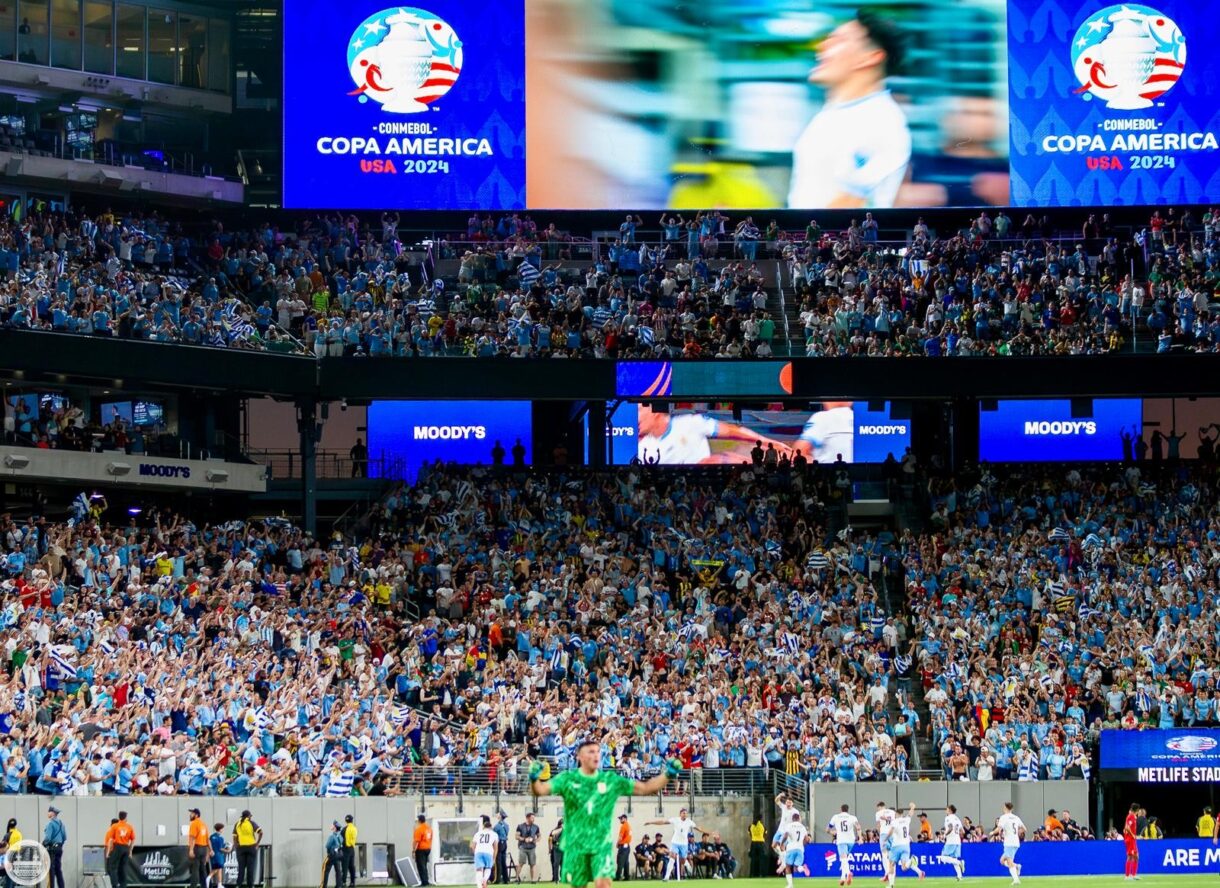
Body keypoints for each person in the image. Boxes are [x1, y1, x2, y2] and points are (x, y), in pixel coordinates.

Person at [788, 11, 911, 209]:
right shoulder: (830, 115)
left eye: (838, 40)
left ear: (870, 57)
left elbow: (847, 208)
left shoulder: (883, 122)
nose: (821, 46)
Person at [528, 740, 680, 888]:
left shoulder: (609, 780)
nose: (596, 755)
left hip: (601, 845)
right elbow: (540, 790)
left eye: (597, 752)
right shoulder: (567, 779)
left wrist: (667, 775)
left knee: (603, 884)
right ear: (579, 756)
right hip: (576, 845)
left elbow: (645, 788)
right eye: (591, 752)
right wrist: (534, 779)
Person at [645, 809, 707, 882]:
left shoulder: (689, 822)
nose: (685, 814)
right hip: (675, 843)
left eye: (686, 813)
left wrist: (707, 832)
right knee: (672, 858)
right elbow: (663, 822)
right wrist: (651, 822)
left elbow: (698, 828)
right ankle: (667, 877)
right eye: (683, 813)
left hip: (684, 844)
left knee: (683, 860)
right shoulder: (675, 820)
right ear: (680, 814)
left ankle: (687, 864)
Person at [886, 803, 924, 886]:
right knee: (903, 867)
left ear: (896, 814)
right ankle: (912, 863)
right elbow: (910, 814)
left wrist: (885, 838)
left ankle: (891, 885)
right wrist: (912, 807)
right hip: (906, 846)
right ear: (902, 814)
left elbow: (891, 831)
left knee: (891, 864)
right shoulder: (906, 820)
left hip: (896, 846)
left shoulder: (895, 821)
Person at [991, 802, 1025, 886]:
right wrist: (1016, 833)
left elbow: (998, 828)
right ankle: (1016, 866)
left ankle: (1016, 880)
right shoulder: (1016, 817)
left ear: (1005, 808)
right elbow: (1024, 829)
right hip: (1016, 842)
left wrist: (992, 833)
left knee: (1009, 862)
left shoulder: (1003, 817)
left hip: (1009, 842)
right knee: (1002, 861)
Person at [827, 804, 859, 887]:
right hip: (851, 841)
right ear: (848, 810)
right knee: (844, 859)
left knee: (843, 859)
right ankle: (842, 878)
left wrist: (831, 832)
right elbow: (858, 827)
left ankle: (848, 873)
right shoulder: (853, 817)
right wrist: (861, 838)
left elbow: (828, 829)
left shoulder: (836, 817)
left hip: (841, 840)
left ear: (841, 809)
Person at [232, 810, 262, 888]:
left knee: (241, 868)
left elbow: (234, 836)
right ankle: (250, 885)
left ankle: (238, 885)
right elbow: (261, 832)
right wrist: (257, 843)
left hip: (241, 847)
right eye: (250, 816)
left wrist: (236, 845)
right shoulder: (251, 823)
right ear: (248, 816)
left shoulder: (237, 823)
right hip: (251, 847)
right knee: (250, 867)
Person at [104, 812, 135, 888]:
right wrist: (130, 851)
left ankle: (115, 885)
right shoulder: (129, 826)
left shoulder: (115, 826)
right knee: (123, 867)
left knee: (113, 867)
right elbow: (133, 839)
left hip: (117, 847)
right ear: (125, 817)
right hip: (126, 847)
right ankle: (123, 885)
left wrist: (107, 853)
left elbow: (110, 840)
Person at [778, 812, 809, 888]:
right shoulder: (803, 827)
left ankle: (790, 885)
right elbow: (807, 839)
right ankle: (802, 868)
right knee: (796, 868)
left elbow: (785, 836)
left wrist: (781, 844)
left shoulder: (789, 826)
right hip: (800, 849)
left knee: (788, 866)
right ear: (799, 819)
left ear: (792, 819)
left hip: (791, 848)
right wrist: (802, 845)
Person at [936, 805, 965, 882]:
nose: (946, 810)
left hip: (951, 841)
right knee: (954, 859)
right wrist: (956, 834)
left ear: (950, 810)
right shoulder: (957, 818)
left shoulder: (948, 818)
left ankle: (960, 862)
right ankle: (959, 876)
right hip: (957, 841)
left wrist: (944, 835)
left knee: (943, 858)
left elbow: (950, 828)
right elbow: (963, 831)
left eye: (947, 809)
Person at [472, 816, 498, 888]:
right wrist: (494, 858)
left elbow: (473, 846)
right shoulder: (494, 834)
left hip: (478, 852)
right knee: (488, 868)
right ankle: (485, 879)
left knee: (479, 870)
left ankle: (479, 886)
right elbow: (496, 847)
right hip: (488, 852)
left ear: (483, 827)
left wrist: (475, 854)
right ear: (491, 827)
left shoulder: (477, 833)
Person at [43, 807, 66, 888]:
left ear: (53, 813)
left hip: (52, 849)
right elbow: (64, 837)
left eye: (49, 812)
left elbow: (48, 838)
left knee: (51, 871)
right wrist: (59, 845)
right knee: (58, 870)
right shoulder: (61, 824)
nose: (48, 813)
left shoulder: (50, 824)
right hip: (59, 848)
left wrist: (43, 844)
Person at [874, 802, 896, 884]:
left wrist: (879, 834)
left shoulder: (879, 813)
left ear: (880, 807)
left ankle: (887, 873)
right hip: (892, 834)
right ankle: (892, 875)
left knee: (884, 854)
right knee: (892, 855)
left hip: (884, 834)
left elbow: (878, 825)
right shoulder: (892, 812)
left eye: (878, 808)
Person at [188, 808, 210, 888]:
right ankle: (204, 886)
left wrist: (191, 850)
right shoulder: (203, 824)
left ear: (196, 815)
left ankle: (193, 886)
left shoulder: (194, 823)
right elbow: (207, 839)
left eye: (192, 813)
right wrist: (209, 851)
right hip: (203, 849)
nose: (190, 815)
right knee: (202, 870)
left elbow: (192, 837)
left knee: (195, 869)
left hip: (197, 848)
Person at [519, 812, 542, 883]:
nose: (533, 819)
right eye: (532, 818)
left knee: (532, 864)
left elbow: (539, 836)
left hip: (532, 848)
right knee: (521, 863)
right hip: (523, 847)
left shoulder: (536, 827)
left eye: (534, 818)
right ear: (527, 818)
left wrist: (535, 840)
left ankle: (533, 880)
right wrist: (524, 839)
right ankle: (517, 878)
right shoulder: (520, 826)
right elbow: (516, 836)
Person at [323, 822, 345, 888]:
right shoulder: (340, 837)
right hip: (338, 855)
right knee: (338, 871)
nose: (332, 826)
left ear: (335, 828)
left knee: (326, 870)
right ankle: (339, 885)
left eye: (333, 825)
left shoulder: (332, 836)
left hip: (332, 855)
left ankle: (324, 886)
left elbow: (327, 846)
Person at [413, 815, 432, 887]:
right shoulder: (429, 828)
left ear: (419, 821)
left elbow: (416, 841)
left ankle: (424, 882)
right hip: (428, 848)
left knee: (421, 866)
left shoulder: (419, 829)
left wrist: (413, 851)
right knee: (424, 865)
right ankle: (426, 881)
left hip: (421, 849)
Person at [1123, 803, 1139, 881]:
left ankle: (1134, 875)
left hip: (1133, 840)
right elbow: (1127, 827)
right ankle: (1127, 876)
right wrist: (1133, 835)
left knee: (1136, 856)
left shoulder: (1133, 817)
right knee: (1130, 856)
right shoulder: (1130, 816)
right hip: (1130, 839)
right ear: (1136, 810)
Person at [209, 824, 228, 888]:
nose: (223, 830)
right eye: (222, 828)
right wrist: (228, 850)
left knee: (218, 869)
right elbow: (221, 848)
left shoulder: (211, 836)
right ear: (220, 829)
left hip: (213, 855)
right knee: (218, 869)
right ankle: (208, 878)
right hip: (219, 855)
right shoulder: (220, 838)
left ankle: (219, 884)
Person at [493, 813, 510, 884]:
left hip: (499, 843)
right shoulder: (506, 825)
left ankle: (498, 879)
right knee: (503, 861)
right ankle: (506, 879)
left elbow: (494, 835)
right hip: (505, 843)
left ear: (500, 816)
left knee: (498, 862)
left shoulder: (497, 826)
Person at [614, 816, 631, 882]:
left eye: (621, 818)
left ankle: (618, 877)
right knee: (626, 862)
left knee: (620, 861)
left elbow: (620, 837)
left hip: (623, 846)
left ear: (625, 819)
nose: (620, 820)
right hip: (627, 846)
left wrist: (617, 843)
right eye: (620, 819)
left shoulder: (623, 826)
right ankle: (626, 876)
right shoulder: (629, 826)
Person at [341, 815, 357, 888]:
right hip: (352, 849)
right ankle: (352, 883)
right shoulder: (354, 828)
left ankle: (343, 883)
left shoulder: (344, 829)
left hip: (345, 849)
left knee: (344, 866)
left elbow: (340, 839)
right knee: (351, 867)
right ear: (352, 820)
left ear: (345, 821)